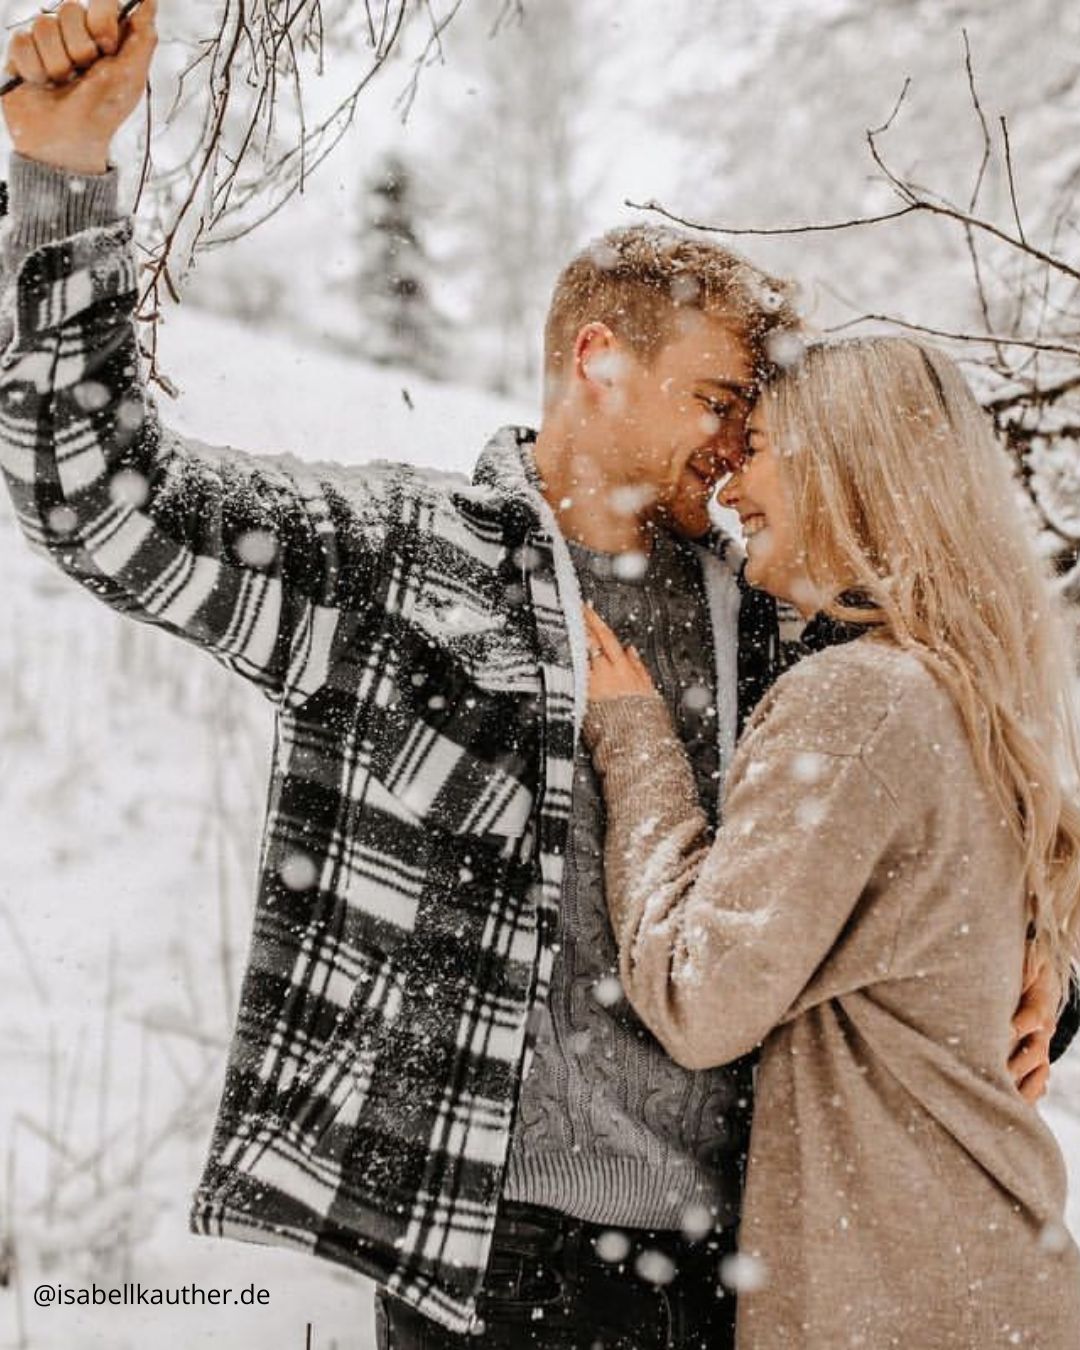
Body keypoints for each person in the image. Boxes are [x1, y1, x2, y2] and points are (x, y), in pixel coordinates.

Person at [0, 5, 1073, 1345]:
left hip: (750, 1264)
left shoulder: (788, 618)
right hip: (489, 1259)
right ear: (597, 359)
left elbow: (960, 809)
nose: (742, 446)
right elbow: (103, 503)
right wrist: (64, 177)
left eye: (757, 416)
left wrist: (1042, 970)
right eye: (721, 398)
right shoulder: (398, 565)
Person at [582, 336, 1080, 1347]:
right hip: (972, 1276)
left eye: (759, 444)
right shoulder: (960, 690)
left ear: (845, 464)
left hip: (902, 1302)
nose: (732, 481)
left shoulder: (860, 700)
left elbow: (699, 994)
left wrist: (635, 740)